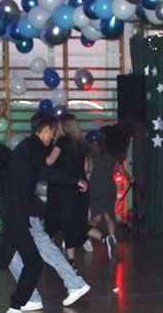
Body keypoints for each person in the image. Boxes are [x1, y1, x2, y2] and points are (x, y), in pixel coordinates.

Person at [0, 111, 57, 313]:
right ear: (46, 130)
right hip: (16, 214)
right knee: (8, 261)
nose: (53, 137)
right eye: (53, 132)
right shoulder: (33, 147)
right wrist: (74, 179)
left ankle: (15, 309)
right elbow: (46, 173)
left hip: (15, 213)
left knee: (25, 261)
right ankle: (14, 310)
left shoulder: (27, 146)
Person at [46, 113, 97, 264]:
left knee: (53, 221)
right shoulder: (80, 144)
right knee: (73, 223)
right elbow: (86, 168)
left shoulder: (61, 141)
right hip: (79, 188)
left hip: (62, 188)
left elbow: (50, 161)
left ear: (63, 127)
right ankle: (71, 259)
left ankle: (48, 254)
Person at [87, 122, 133, 258]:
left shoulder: (94, 151)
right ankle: (111, 238)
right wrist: (130, 178)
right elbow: (120, 168)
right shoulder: (113, 152)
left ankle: (87, 235)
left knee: (96, 215)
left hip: (96, 184)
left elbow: (87, 167)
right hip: (109, 185)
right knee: (108, 213)